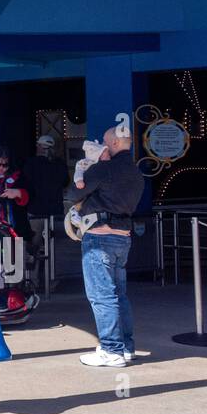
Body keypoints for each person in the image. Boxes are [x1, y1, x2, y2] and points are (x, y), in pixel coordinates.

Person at [69, 126, 145, 368]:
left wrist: (84, 170)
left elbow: (73, 193)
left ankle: (111, 350)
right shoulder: (136, 173)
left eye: (103, 141)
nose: (101, 145)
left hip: (99, 237)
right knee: (119, 295)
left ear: (113, 143)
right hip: (123, 238)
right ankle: (126, 347)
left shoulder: (104, 169)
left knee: (102, 296)